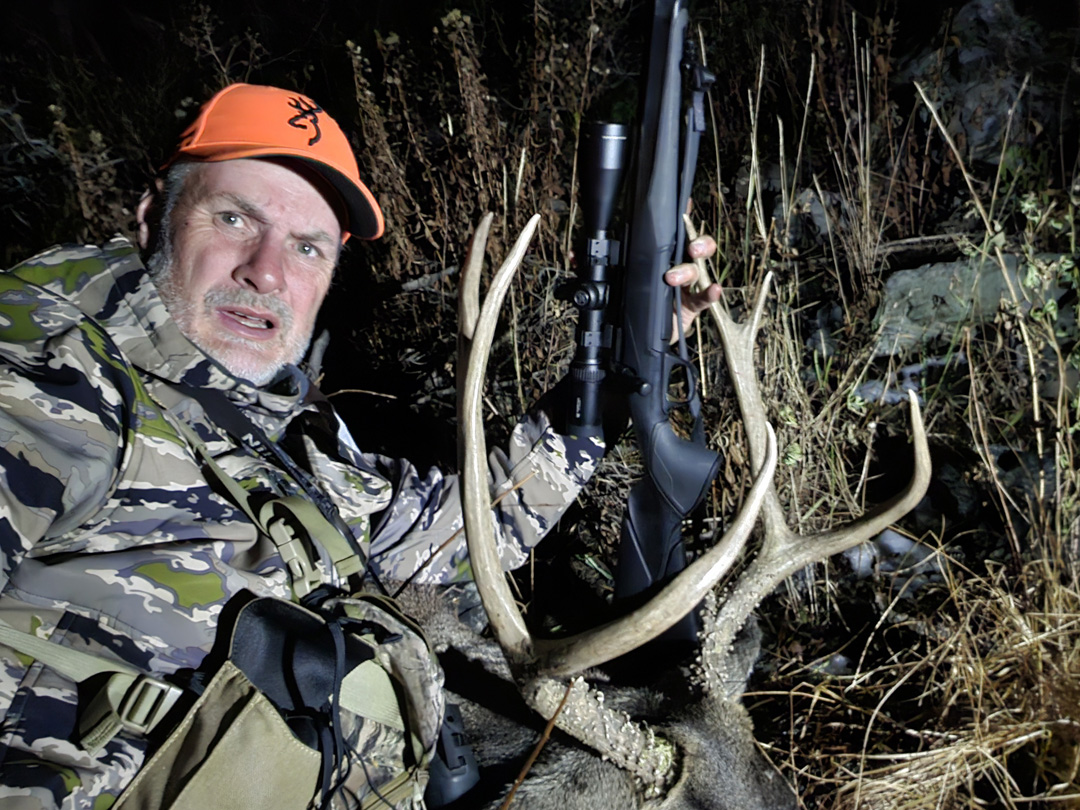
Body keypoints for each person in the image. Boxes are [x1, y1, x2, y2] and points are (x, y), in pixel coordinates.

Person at [0, 83, 719, 808]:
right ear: (155, 215)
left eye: (307, 247)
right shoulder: (53, 374)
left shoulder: (278, 434)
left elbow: (467, 530)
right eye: (232, 218)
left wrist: (615, 371)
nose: (267, 272)